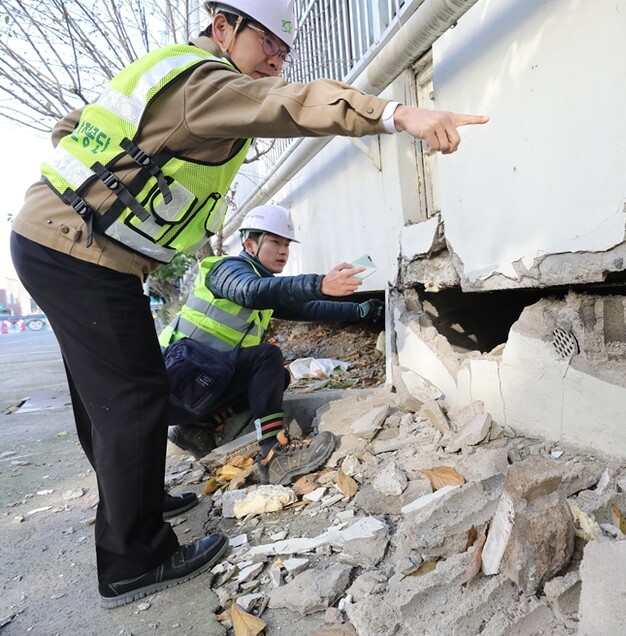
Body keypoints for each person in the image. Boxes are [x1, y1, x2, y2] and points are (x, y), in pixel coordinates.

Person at [9, 0, 486, 609]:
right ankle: (133, 559)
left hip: (69, 242)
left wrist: (362, 310)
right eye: (269, 42)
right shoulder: (207, 91)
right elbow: (291, 107)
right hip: (81, 252)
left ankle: (138, 502)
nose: (277, 61)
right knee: (130, 400)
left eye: (286, 51)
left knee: (110, 392)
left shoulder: (170, 76)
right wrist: (396, 113)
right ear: (223, 26)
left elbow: (73, 127)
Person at [161, 204, 383, 485]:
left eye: (287, 244)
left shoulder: (261, 285)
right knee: (267, 358)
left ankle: (197, 427)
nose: (283, 251)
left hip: (199, 387)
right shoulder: (225, 270)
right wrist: (320, 283)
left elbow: (308, 309)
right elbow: (249, 291)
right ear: (249, 244)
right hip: (172, 384)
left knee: (277, 377)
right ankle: (274, 455)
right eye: (275, 242)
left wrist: (361, 311)